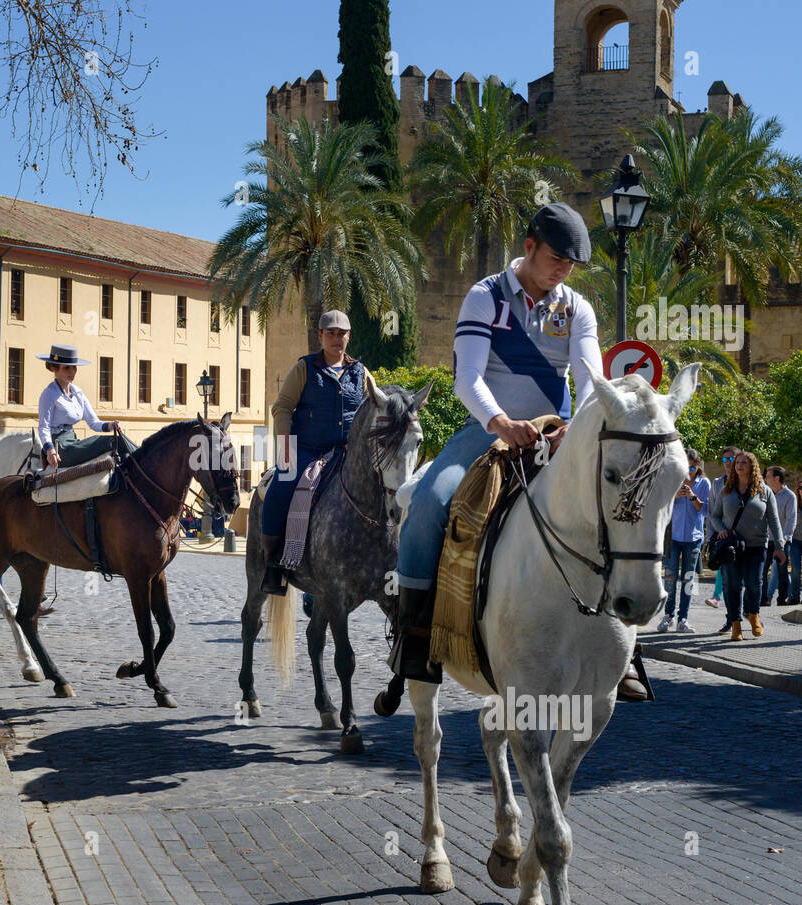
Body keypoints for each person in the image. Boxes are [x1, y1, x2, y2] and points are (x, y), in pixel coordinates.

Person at [386, 203, 643, 693]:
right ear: (528, 247)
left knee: (617, 508)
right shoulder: (485, 297)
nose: (563, 270)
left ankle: (628, 650)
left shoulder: (578, 310)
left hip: (557, 434)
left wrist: (579, 427)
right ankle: (414, 638)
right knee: (426, 505)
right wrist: (501, 423)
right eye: (555, 258)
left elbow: (591, 378)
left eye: (571, 263)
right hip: (488, 431)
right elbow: (468, 378)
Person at [262, 310, 381, 594]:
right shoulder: (304, 368)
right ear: (320, 336)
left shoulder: (361, 373)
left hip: (347, 454)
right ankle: (274, 564)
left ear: (349, 337)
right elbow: (282, 407)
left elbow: (374, 410)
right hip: (305, 451)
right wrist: (286, 450)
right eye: (330, 334)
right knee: (279, 489)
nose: (336, 339)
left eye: (341, 334)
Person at [708, 451, 785, 641]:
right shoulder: (726, 490)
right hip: (731, 547)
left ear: (753, 466)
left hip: (757, 546)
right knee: (732, 586)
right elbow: (714, 515)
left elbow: (774, 520)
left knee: (754, 583)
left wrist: (780, 546)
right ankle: (735, 625)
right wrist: (721, 530)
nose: (740, 465)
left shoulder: (764, 491)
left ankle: (753, 615)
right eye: (737, 463)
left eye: (744, 462)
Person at [36, 344, 122, 468]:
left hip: (73, 442)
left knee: (119, 441)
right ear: (55, 368)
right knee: (113, 442)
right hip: (60, 448)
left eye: (74, 367)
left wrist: (111, 425)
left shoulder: (78, 393)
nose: (72, 372)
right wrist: (50, 451)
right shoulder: (49, 394)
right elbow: (44, 427)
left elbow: (93, 423)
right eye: (66, 368)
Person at [658, 448, 710, 633]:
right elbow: (660, 507)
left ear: (698, 468)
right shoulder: (671, 481)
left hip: (693, 538)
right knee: (670, 579)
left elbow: (705, 511)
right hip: (673, 538)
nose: (689, 472)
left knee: (689, 580)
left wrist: (693, 497)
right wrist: (674, 496)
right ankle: (668, 615)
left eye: (692, 468)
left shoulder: (704, 483)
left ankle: (684, 619)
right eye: (685, 467)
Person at [704, 447, 740, 616]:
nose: (727, 463)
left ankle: (745, 612)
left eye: (731, 459)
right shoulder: (718, 483)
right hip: (722, 535)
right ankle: (729, 616)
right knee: (724, 571)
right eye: (724, 460)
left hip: (742, 536)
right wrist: (712, 536)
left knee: (740, 579)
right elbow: (711, 511)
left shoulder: (746, 483)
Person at [760, 465, 796, 605]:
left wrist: (783, 540)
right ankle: (763, 600)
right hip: (765, 540)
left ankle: (781, 600)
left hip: (782, 541)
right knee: (762, 571)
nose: (765, 478)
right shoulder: (764, 494)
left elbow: (791, 520)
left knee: (782, 572)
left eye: (768, 476)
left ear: (777, 478)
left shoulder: (790, 496)